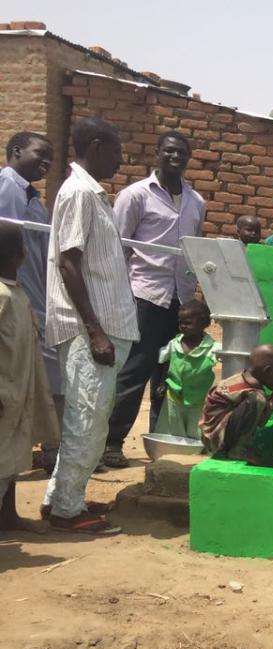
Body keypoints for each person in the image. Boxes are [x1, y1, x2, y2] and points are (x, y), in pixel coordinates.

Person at [41, 118, 137, 536]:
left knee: (89, 417)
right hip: (90, 330)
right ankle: (67, 511)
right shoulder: (79, 192)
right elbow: (69, 263)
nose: (120, 160)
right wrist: (95, 330)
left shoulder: (92, 194)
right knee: (87, 419)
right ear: (96, 147)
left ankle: (61, 497)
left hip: (102, 326)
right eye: (116, 151)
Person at [102, 131, 207, 467]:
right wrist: (117, 296)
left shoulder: (196, 201)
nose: (175, 157)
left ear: (188, 158)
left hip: (181, 300)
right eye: (169, 151)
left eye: (181, 153)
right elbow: (118, 248)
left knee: (171, 374)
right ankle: (111, 442)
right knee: (135, 369)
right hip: (145, 295)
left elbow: (194, 251)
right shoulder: (135, 195)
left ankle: (162, 442)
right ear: (158, 153)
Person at [0, 131, 59, 470]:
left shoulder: (30, 195)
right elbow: (7, 243)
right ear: (16, 151)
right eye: (40, 153)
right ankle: (50, 449)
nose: (46, 161)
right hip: (19, 294)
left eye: (51, 156)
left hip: (34, 295)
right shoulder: (9, 187)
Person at [0, 222, 58, 532]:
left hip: (18, 392)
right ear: (20, 254)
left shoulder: (16, 292)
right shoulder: (3, 295)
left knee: (13, 456)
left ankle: (7, 516)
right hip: (4, 394)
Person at [201, 344, 273, 462]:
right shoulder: (252, 394)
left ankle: (241, 447)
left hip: (220, 434)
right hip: (215, 438)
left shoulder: (247, 381)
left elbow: (259, 416)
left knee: (258, 399)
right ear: (267, 371)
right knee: (258, 399)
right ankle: (237, 450)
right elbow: (262, 421)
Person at [153, 300, 220, 439]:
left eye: (188, 323)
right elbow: (166, 362)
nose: (182, 326)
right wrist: (163, 383)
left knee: (197, 432)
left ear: (203, 323)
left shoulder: (212, 348)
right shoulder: (174, 344)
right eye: (180, 323)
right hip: (174, 396)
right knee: (173, 430)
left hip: (199, 398)